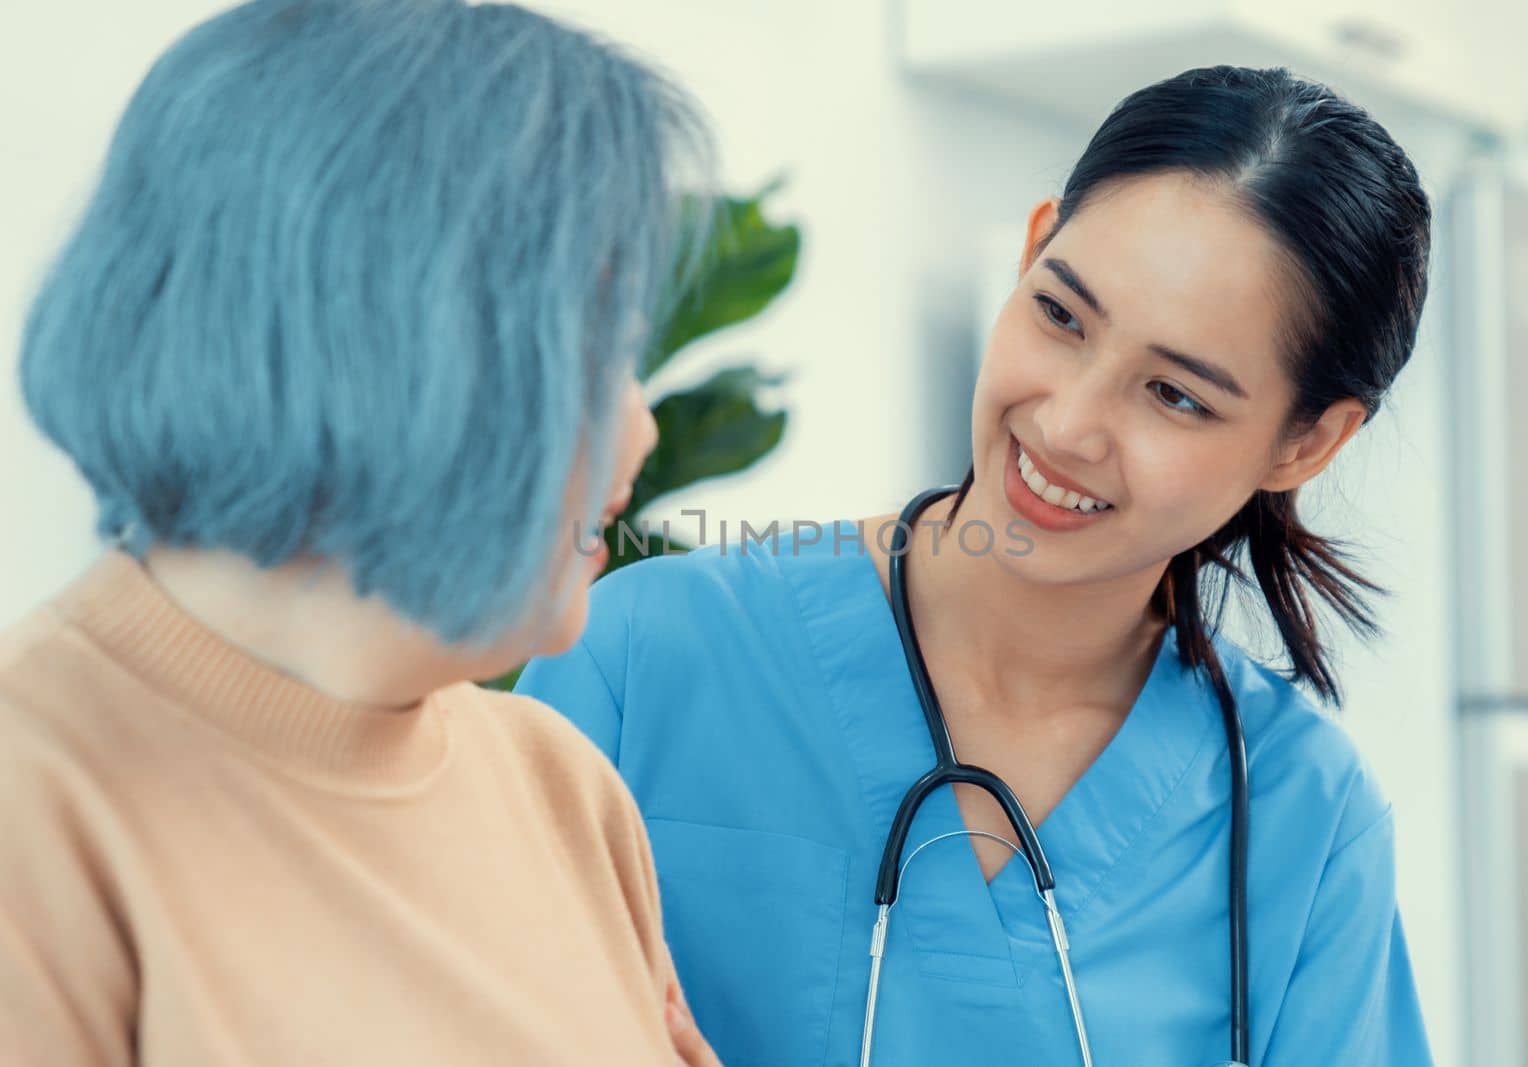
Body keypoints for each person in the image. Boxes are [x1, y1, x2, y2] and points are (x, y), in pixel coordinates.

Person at [518, 65, 1436, 1065]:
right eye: (1061, 316)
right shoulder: (643, 657)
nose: (1068, 423)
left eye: (1174, 395)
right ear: (1033, 245)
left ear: (1305, 443)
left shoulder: (1304, 819)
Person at [0, 1, 722, 1063]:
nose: (642, 426)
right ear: (407, 351)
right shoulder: (36, 805)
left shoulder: (562, 788)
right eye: (600, 352)